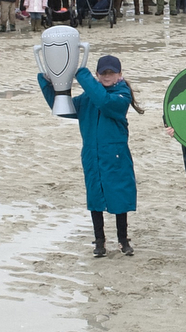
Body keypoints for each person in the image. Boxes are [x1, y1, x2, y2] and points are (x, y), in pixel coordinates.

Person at [38, 54, 137, 258]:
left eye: (112, 72)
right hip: (92, 154)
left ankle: (123, 239)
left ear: (120, 74)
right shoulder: (88, 98)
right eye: (103, 73)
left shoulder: (121, 95)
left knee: (119, 195)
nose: (107, 76)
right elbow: (62, 109)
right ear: (98, 74)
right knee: (95, 197)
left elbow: (104, 101)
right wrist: (48, 82)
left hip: (116, 155)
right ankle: (99, 240)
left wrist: (80, 73)